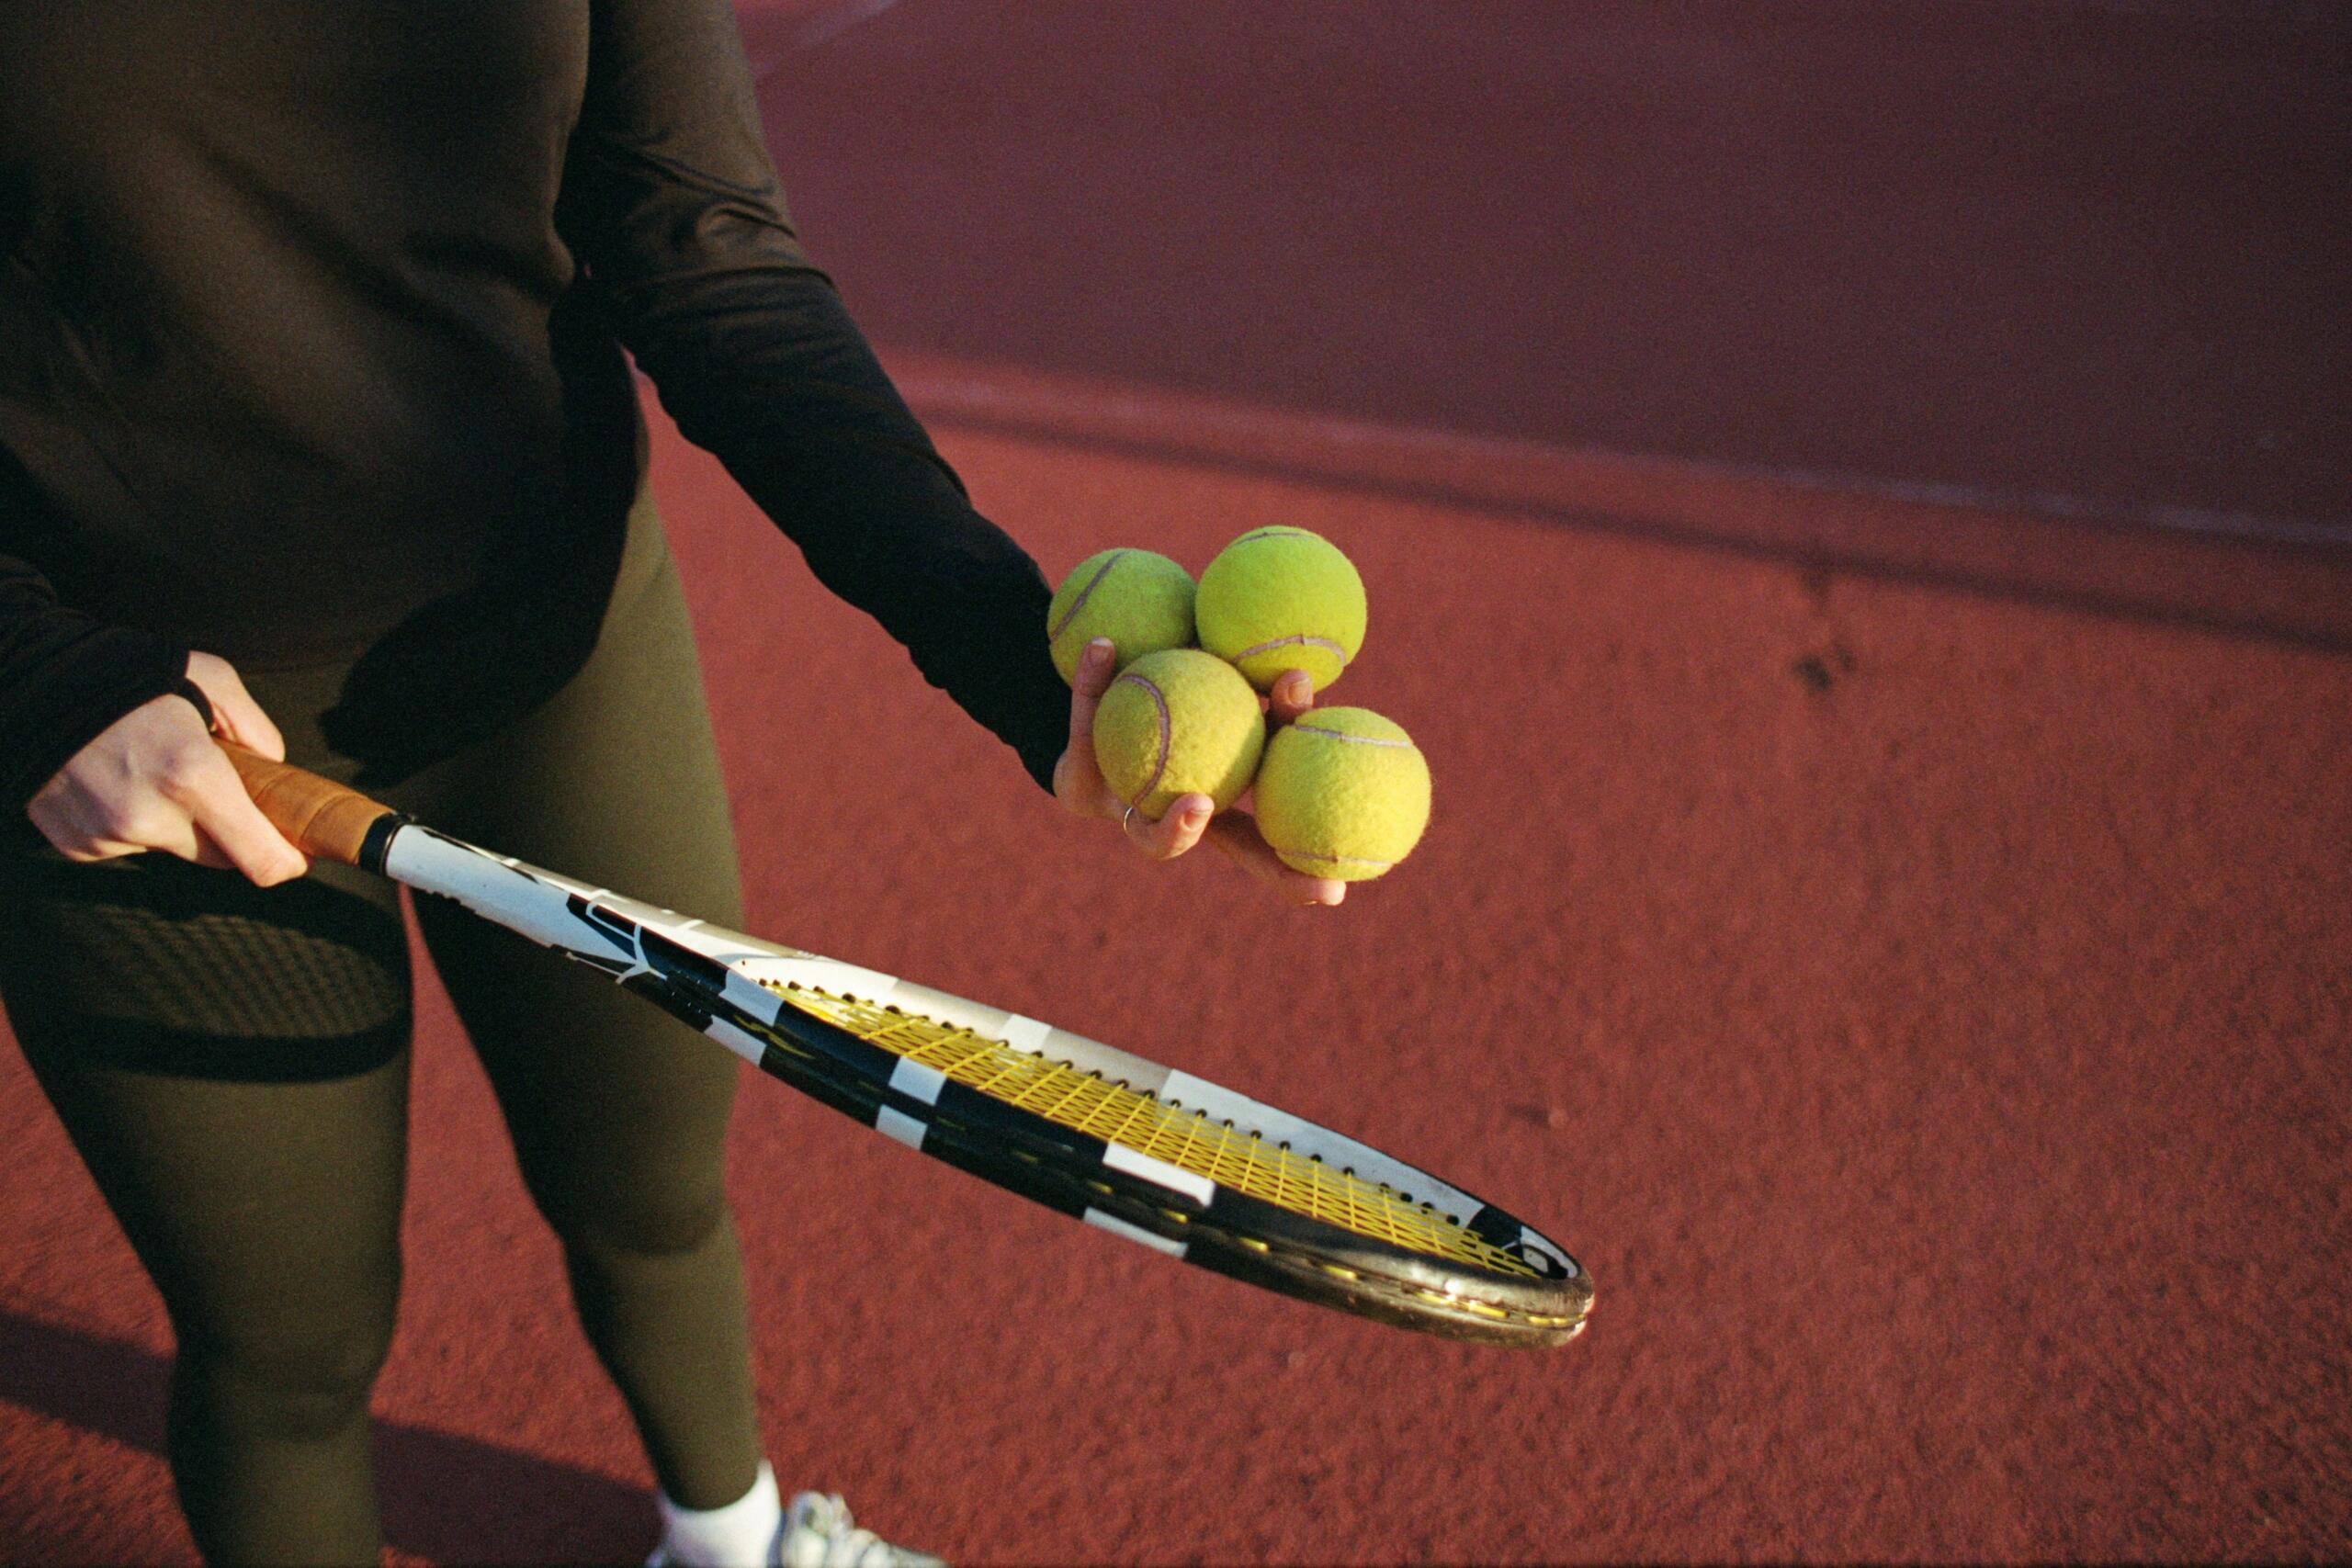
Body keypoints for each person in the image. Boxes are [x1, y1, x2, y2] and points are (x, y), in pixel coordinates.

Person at [0, 3, 1340, 1563]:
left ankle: (735, 1542)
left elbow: (700, 245)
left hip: (564, 657)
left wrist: (1030, 675)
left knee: (650, 1194)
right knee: (287, 1352)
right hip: (146, 751)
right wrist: (32, 675)